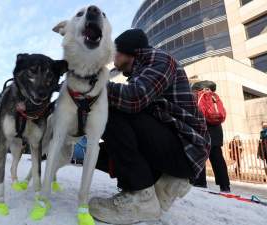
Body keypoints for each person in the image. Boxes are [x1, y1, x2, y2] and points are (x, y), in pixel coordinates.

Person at [88, 29, 210, 225]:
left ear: (127, 51)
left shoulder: (160, 60)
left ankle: (141, 194)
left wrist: (91, 85)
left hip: (186, 149)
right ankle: (159, 183)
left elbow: (134, 98)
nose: (112, 59)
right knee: (98, 153)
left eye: (114, 53)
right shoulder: (141, 70)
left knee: (108, 107)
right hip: (174, 146)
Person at [191, 83, 231, 192]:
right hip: (217, 131)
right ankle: (225, 185)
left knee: (200, 155)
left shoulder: (196, 95)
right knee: (218, 157)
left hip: (202, 129)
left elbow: (193, 112)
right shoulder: (214, 96)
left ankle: (200, 183)